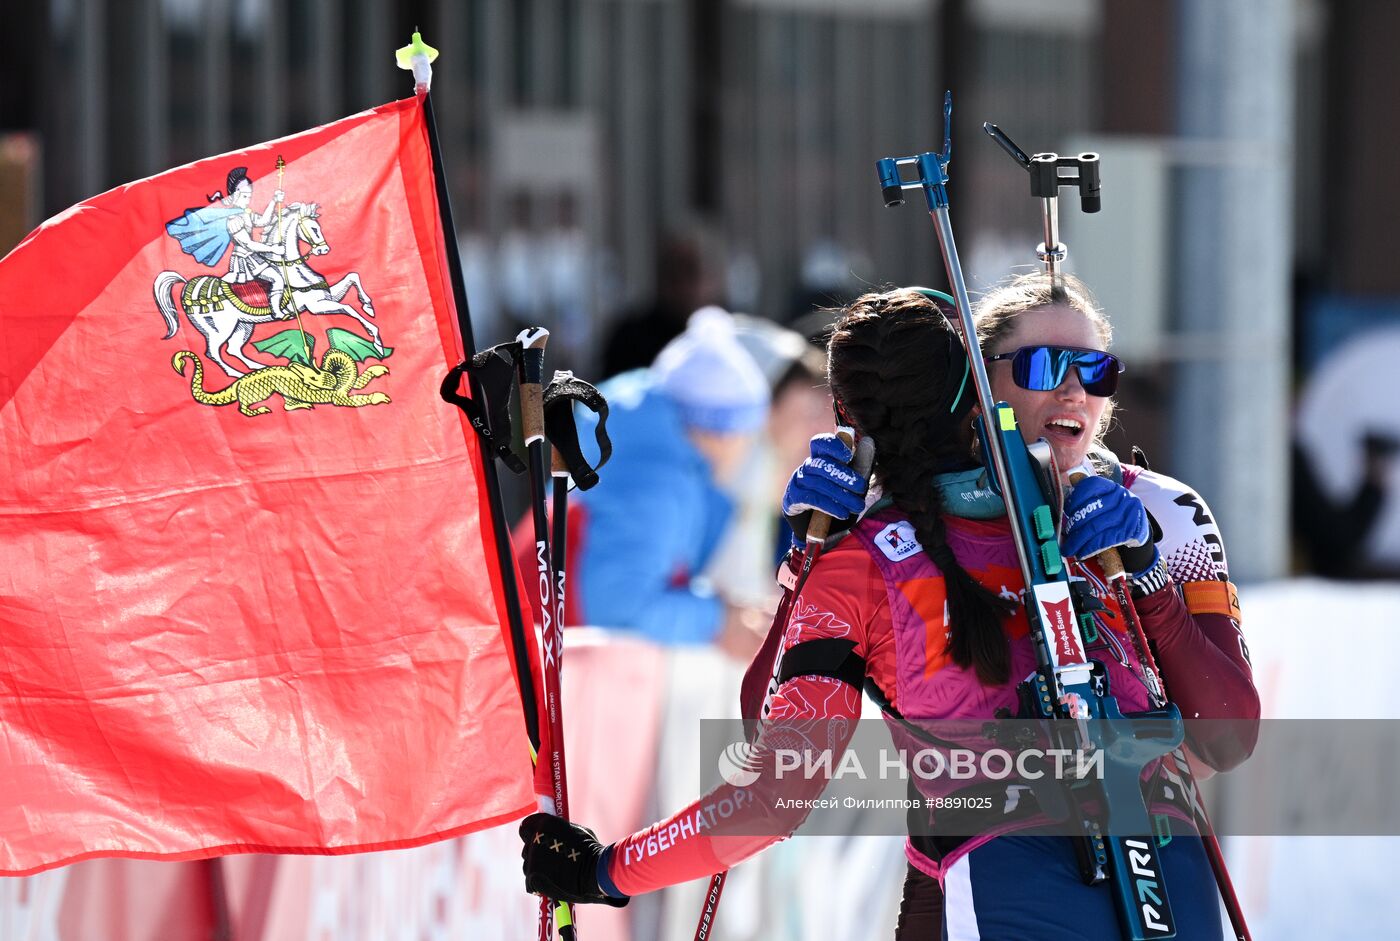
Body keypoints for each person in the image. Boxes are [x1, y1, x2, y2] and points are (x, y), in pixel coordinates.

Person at [520, 279, 1259, 940]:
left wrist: (606, 871)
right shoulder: (883, 542)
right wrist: (806, 563)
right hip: (1110, 866)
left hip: (1064, 869)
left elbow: (773, 779)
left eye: (1095, 371)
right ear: (981, 385)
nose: (1073, 393)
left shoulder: (1142, 509)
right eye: (1042, 367)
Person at [541, 306, 772, 658]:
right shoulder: (656, 483)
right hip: (557, 669)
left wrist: (721, 610)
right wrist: (717, 621)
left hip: (551, 652)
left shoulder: (639, 450)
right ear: (723, 434)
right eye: (748, 433)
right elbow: (617, 608)